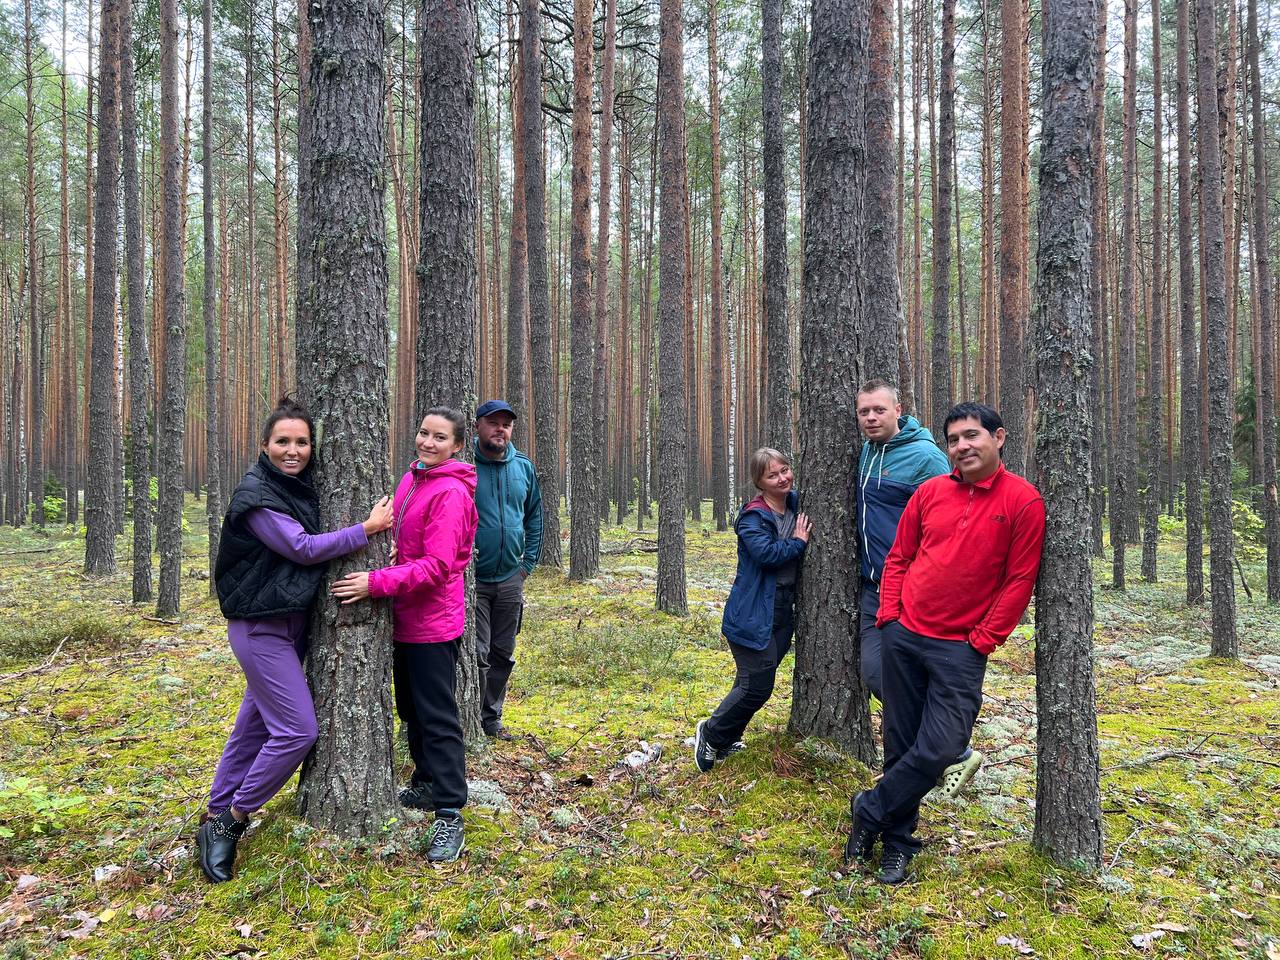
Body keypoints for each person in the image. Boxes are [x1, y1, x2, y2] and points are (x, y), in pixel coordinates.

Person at [846, 402, 1045, 885]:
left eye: (971, 436)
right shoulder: (932, 492)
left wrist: (983, 640)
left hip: (960, 648)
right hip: (905, 636)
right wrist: (890, 617)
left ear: (998, 438)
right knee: (900, 744)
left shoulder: (1024, 501)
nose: (962, 446)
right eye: (953, 439)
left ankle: (868, 810)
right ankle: (898, 843)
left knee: (942, 746)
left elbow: (1020, 579)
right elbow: (899, 557)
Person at [199, 397, 394, 884]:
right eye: (283, 441)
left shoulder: (294, 487)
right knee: (296, 732)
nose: (293, 450)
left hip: (286, 628)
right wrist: (366, 529)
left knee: (254, 727)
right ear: (264, 445)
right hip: (260, 629)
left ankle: (214, 812)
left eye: (302, 442)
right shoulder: (257, 496)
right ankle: (233, 818)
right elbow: (302, 549)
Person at [331, 407, 478, 864]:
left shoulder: (451, 492)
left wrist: (375, 582)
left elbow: (437, 567)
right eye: (422, 433)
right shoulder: (413, 478)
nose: (427, 443)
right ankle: (425, 785)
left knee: (436, 716)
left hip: (432, 623)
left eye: (439, 438)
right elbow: (418, 546)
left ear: (456, 446)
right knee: (411, 709)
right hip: (407, 616)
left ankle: (450, 811)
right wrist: (397, 550)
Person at [854, 381, 981, 797]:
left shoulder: (925, 456)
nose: (871, 418)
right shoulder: (867, 452)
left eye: (878, 410)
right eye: (864, 412)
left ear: (898, 410)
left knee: (896, 677)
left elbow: (956, 512)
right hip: (873, 585)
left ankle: (949, 751)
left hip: (911, 588)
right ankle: (948, 752)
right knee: (877, 674)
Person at [692, 447, 811, 773]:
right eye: (772, 475)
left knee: (752, 680)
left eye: (784, 469)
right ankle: (712, 733)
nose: (782, 477)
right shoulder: (753, 517)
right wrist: (799, 543)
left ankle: (728, 738)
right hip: (752, 612)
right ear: (759, 482)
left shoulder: (797, 503)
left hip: (783, 611)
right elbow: (766, 554)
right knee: (757, 686)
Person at [471, 399, 543, 740]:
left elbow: (535, 517)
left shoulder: (523, 468)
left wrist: (526, 565)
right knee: (478, 651)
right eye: (493, 422)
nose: (501, 429)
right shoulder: (464, 466)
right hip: (473, 580)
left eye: (507, 424)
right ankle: (467, 716)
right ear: (478, 426)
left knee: (503, 652)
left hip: (510, 579)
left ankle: (491, 718)